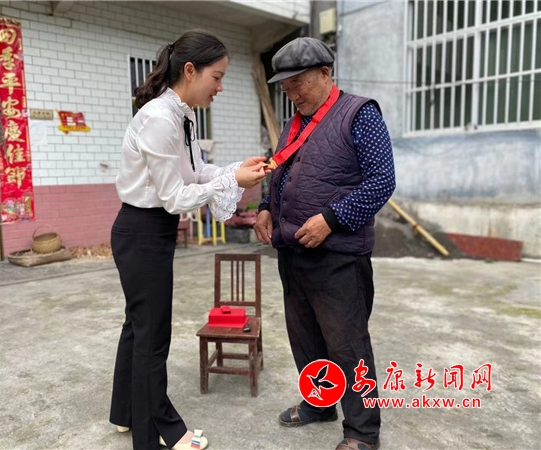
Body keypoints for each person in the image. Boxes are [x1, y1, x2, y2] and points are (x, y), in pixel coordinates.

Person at [110, 30, 267, 450]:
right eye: (217, 77)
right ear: (191, 71)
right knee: (151, 338)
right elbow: (175, 197)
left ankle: (125, 414)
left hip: (148, 231)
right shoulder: (160, 119)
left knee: (138, 328)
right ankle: (160, 433)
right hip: (142, 231)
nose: (220, 87)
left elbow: (196, 173)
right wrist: (231, 181)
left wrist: (235, 169)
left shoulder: (182, 116)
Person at [254, 37, 395, 450]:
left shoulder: (360, 114)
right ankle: (319, 404)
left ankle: (362, 432)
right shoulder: (293, 125)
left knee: (347, 345)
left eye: (300, 83)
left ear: (325, 73)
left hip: (338, 258)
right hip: (293, 252)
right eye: (286, 88)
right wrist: (264, 207)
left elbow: (382, 182)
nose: (293, 94)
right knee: (305, 338)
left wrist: (331, 220)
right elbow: (278, 172)